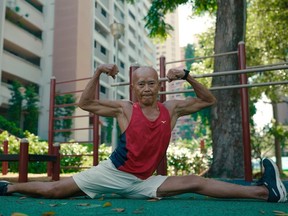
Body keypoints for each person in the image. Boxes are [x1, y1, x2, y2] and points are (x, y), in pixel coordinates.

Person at [0, 64, 287, 202]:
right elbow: (84, 103)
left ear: (158, 86)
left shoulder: (171, 109)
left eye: (152, 83)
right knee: (57, 190)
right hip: (111, 173)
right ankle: (7, 187)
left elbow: (208, 100)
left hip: (142, 182)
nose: (147, 88)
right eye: (142, 84)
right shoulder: (125, 109)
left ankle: (266, 192)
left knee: (195, 182)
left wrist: (187, 76)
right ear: (133, 89)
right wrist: (98, 72)